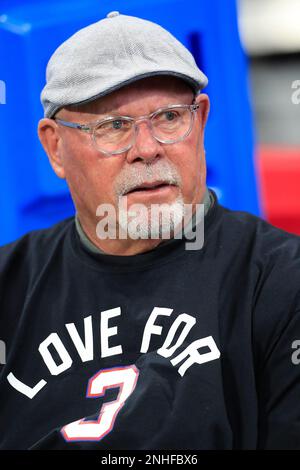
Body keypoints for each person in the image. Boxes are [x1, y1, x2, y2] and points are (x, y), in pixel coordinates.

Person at [0, 11, 300, 451]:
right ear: (55, 147)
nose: (146, 149)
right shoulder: (10, 285)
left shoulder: (281, 282)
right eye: (113, 126)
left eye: (169, 118)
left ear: (200, 120)